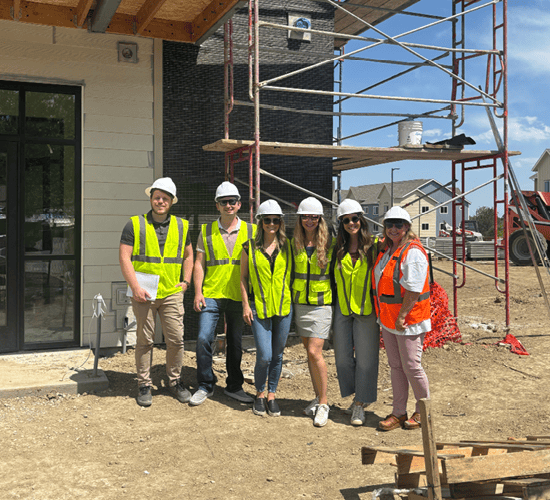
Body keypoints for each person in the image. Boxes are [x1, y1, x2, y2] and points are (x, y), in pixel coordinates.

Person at [119, 177, 194, 407]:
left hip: (171, 291)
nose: (160, 201)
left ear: (172, 202)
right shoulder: (135, 224)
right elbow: (124, 257)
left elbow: (189, 255)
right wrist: (135, 288)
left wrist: (186, 281)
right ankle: (144, 384)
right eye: (157, 197)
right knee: (144, 341)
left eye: (165, 198)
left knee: (176, 340)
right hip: (145, 292)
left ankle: (175, 381)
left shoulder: (182, 226)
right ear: (151, 198)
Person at [191, 181, 256, 406]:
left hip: (239, 295)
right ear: (217, 206)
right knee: (202, 338)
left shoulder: (252, 230)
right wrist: (197, 292)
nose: (228, 205)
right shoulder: (206, 230)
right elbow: (199, 264)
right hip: (212, 292)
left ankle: (234, 386)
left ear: (239, 204)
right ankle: (205, 384)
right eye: (223, 202)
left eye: (232, 202)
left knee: (236, 342)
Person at [373, 206, 431, 431]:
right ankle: (398, 412)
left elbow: (414, 289)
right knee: (396, 366)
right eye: (389, 224)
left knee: (411, 366)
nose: (394, 229)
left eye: (399, 224)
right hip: (388, 318)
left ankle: (423, 411)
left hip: (408, 319)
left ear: (407, 227)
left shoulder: (412, 251)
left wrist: (402, 316)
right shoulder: (388, 250)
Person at [240, 200, 293, 417]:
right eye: (267, 220)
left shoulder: (288, 246)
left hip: (283, 308)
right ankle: (259, 393)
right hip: (259, 307)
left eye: (276, 220)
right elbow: (243, 277)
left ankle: (272, 394)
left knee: (278, 355)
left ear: (280, 222)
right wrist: (245, 304)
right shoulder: (248, 247)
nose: (271, 224)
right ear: (260, 222)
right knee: (264, 355)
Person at [332, 199, 380, 426]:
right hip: (342, 309)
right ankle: (356, 394)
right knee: (342, 360)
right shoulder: (337, 249)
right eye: (346, 220)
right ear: (341, 224)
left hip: (366, 310)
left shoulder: (374, 247)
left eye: (355, 218)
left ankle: (360, 403)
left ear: (362, 220)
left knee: (366, 360)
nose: (352, 223)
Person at [291, 197, 335, 427]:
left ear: (320, 219)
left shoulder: (331, 243)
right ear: (300, 219)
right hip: (300, 305)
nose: (309, 220)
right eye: (305, 216)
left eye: (314, 217)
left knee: (315, 352)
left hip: (321, 306)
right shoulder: (294, 243)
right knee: (308, 354)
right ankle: (318, 397)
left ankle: (324, 403)